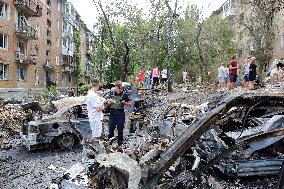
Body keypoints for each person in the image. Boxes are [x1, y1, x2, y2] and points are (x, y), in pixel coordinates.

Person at [106, 81, 131, 147]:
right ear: (115, 87)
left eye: (120, 89)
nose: (119, 90)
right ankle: (110, 144)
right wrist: (109, 102)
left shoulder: (125, 94)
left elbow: (130, 104)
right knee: (111, 130)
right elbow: (107, 102)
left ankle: (120, 144)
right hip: (112, 114)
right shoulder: (111, 94)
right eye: (117, 88)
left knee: (120, 130)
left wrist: (124, 103)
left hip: (120, 115)